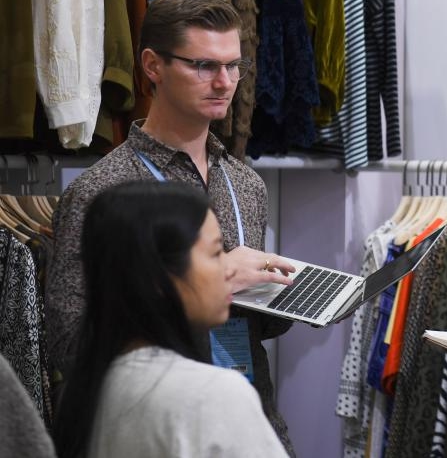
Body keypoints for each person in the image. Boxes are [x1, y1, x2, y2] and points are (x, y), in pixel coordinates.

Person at [45, 0, 297, 454]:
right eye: (204, 65)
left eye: (233, 66)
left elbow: (255, 329)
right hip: (155, 431)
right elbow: (69, 344)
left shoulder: (246, 184)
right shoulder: (101, 191)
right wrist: (218, 276)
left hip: (247, 419)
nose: (224, 82)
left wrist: (284, 295)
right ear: (152, 66)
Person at [51, 181, 289, 458]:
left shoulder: (84, 390)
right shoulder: (213, 395)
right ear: (159, 277)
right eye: (215, 253)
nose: (229, 270)